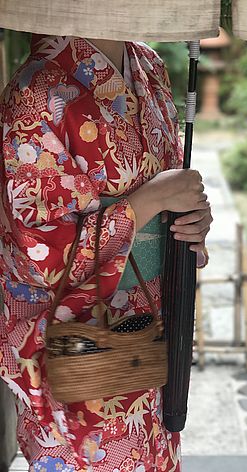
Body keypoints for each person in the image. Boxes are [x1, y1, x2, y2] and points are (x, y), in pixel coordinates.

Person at [0, 34, 212, 471]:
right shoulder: (35, 89)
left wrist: (190, 221)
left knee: (153, 451)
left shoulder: (148, 65)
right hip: (76, 337)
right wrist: (149, 202)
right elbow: (37, 248)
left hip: (149, 323)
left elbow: (168, 185)